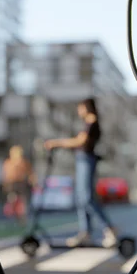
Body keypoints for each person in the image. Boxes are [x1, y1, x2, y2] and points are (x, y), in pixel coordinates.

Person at [44, 98, 119, 248]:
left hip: (86, 160)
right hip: (81, 160)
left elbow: (80, 141)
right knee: (81, 198)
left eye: (80, 108)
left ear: (86, 108)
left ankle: (109, 229)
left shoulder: (92, 122)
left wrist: (57, 143)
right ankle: (85, 232)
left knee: (86, 197)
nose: (79, 111)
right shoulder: (88, 123)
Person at [2, 145, 35, 225]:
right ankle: (13, 219)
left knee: (22, 203)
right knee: (12, 201)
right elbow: (6, 175)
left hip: (21, 185)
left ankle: (22, 220)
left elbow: (30, 173)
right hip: (12, 185)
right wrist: (5, 185)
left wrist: (33, 182)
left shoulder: (24, 162)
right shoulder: (8, 163)